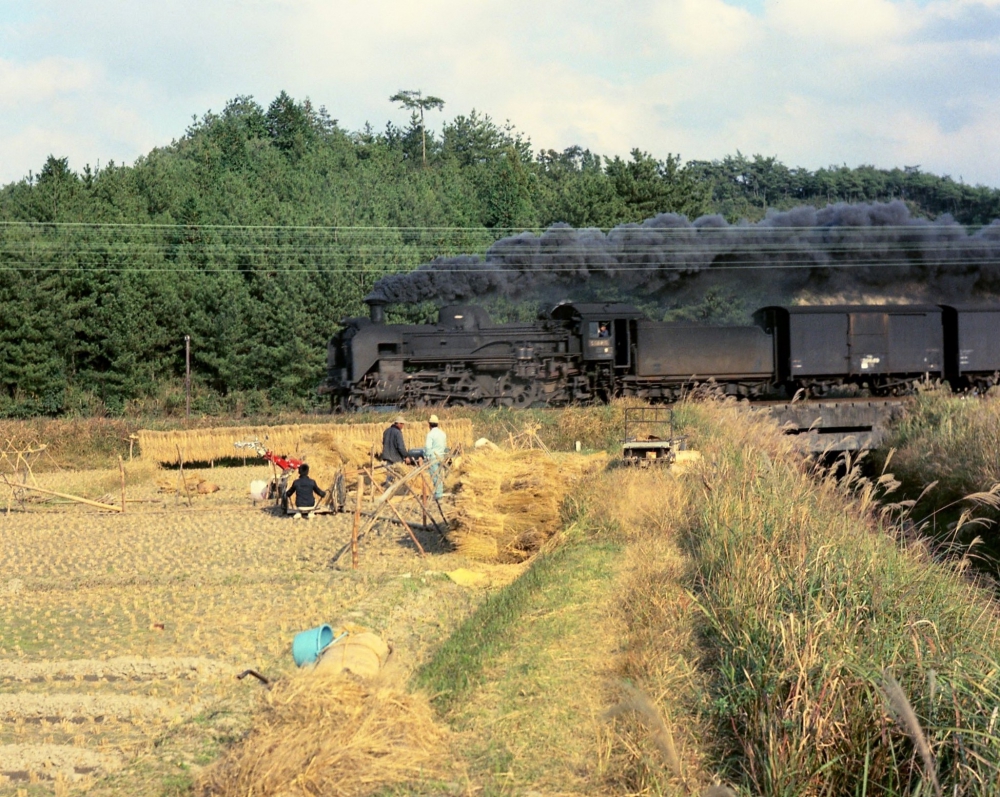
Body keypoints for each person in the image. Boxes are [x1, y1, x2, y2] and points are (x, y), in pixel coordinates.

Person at [381, 415, 412, 485]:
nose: (402, 426)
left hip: (388, 457)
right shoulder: (398, 433)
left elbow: (384, 443)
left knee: (389, 475)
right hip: (396, 458)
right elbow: (400, 447)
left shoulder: (386, 431)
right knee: (397, 476)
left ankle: (387, 488)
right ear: (398, 423)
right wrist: (406, 456)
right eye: (402, 424)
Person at [425, 414, 448, 499]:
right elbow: (445, 446)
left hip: (433, 458)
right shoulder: (443, 434)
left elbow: (428, 447)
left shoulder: (430, 434)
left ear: (429, 424)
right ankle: (440, 492)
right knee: (440, 475)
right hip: (441, 457)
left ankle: (438, 494)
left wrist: (427, 457)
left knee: (434, 476)